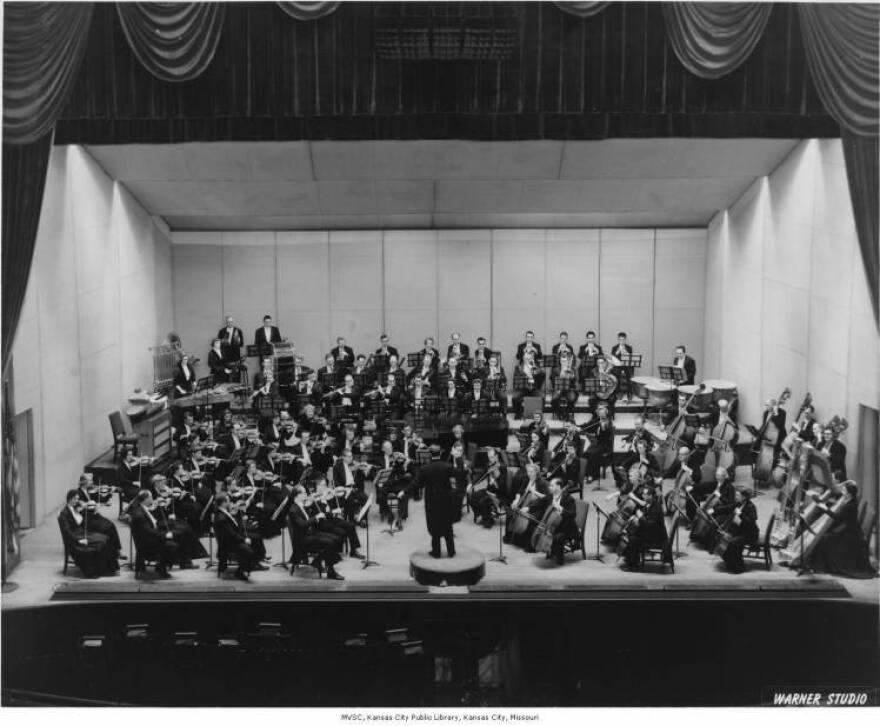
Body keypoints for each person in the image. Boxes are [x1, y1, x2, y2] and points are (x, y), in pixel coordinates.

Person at [808, 480, 876, 579]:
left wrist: (825, 508)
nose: (842, 490)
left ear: (849, 493)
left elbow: (837, 518)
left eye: (844, 489)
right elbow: (842, 517)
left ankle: (824, 567)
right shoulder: (849, 500)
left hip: (851, 533)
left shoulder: (851, 505)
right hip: (848, 527)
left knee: (827, 539)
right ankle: (822, 565)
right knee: (827, 535)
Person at [58, 489, 120, 578]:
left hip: (81, 533)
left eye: (78, 499)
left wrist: (91, 508)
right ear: (70, 499)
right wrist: (79, 541)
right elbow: (67, 532)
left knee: (105, 538)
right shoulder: (64, 514)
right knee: (101, 543)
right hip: (76, 538)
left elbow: (82, 516)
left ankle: (109, 568)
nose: (77, 501)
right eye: (75, 499)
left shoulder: (74, 507)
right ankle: (100, 570)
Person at [287, 485, 344, 579]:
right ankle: (330, 571)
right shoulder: (293, 509)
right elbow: (303, 524)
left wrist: (318, 513)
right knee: (330, 542)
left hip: (309, 534)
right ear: (297, 495)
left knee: (336, 538)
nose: (306, 495)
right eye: (304, 493)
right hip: (303, 540)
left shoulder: (301, 505)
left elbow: (308, 519)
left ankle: (318, 561)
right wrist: (316, 517)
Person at [213, 493, 268, 581]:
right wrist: (244, 540)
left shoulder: (223, 512)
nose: (230, 502)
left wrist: (237, 512)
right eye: (228, 500)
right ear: (223, 503)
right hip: (230, 544)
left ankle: (256, 561)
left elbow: (233, 525)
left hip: (232, 538)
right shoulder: (221, 518)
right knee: (250, 552)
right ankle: (240, 571)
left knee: (257, 538)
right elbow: (231, 535)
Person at [128, 491, 179, 578]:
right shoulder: (139, 515)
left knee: (177, 532)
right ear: (146, 499)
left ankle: (169, 563)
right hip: (147, 544)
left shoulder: (141, 508)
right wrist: (165, 535)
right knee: (173, 545)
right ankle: (161, 567)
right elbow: (148, 531)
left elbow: (151, 523)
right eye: (151, 497)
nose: (153, 499)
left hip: (149, 537)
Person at [418, 445, 456, 558]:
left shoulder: (425, 469)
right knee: (448, 526)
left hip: (432, 502)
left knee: (434, 526)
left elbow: (418, 484)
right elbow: (458, 475)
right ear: (440, 453)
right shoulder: (448, 466)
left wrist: (404, 491)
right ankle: (451, 551)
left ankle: (436, 552)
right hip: (446, 501)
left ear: (430, 454)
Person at [620, 485, 666, 570]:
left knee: (633, 539)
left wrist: (640, 517)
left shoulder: (656, 508)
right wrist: (636, 516)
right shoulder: (650, 504)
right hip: (652, 532)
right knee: (631, 534)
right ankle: (631, 559)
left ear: (651, 496)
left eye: (645, 494)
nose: (643, 496)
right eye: (643, 494)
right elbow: (646, 515)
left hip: (656, 537)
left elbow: (650, 524)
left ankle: (633, 565)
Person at [718, 487, 759, 574]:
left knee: (731, 543)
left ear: (744, 497)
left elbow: (751, 523)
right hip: (740, 531)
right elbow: (728, 507)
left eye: (738, 495)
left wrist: (741, 514)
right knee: (723, 542)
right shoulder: (739, 504)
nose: (735, 496)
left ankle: (738, 568)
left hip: (749, 534)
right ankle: (731, 564)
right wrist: (714, 510)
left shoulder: (751, 507)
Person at [468, 447, 508, 528]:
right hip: (489, 489)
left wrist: (496, 478)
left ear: (497, 456)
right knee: (472, 497)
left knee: (483, 502)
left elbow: (503, 485)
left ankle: (489, 521)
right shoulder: (489, 465)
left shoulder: (502, 467)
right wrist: (471, 484)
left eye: (492, 457)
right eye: (489, 457)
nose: (490, 460)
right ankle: (483, 514)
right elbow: (481, 475)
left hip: (498, 492)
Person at [546, 478, 579, 566]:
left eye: (552, 486)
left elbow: (573, 514)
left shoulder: (568, 498)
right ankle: (552, 552)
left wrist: (560, 508)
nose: (549, 487)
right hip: (554, 524)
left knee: (557, 537)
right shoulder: (550, 496)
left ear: (559, 487)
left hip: (567, 526)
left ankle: (560, 559)